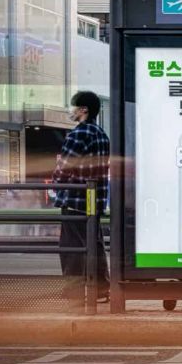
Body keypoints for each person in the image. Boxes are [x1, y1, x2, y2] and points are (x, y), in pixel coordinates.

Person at [52, 91, 110, 302]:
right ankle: (102, 289)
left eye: (73, 106)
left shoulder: (79, 134)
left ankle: (74, 293)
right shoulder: (101, 134)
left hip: (76, 200)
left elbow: (64, 167)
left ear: (83, 110)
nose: (71, 111)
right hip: (95, 201)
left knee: (71, 249)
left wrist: (57, 183)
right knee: (94, 246)